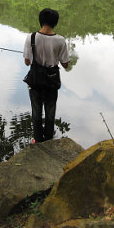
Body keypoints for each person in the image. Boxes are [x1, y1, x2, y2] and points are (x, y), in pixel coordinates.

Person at [23, 8, 69, 143]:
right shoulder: (60, 40)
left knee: (36, 112)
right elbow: (65, 64)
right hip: (51, 81)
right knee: (50, 112)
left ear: (41, 20)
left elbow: (27, 62)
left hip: (35, 80)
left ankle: (37, 139)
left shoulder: (31, 37)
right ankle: (49, 139)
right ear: (55, 23)